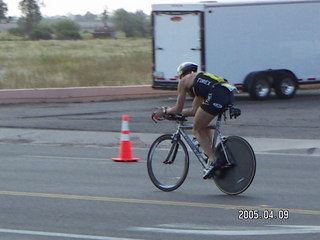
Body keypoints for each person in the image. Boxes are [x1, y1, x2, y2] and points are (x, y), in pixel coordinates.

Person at [153, 62, 236, 179]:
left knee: (196, 129)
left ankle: (213, 160)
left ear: (181, 74)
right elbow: (194, 111)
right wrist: (175, 113)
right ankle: (213, 155)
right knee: (202, 124)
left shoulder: (184, 81)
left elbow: (178, 108)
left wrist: (165, 111)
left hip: (217, 94)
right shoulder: (199, 82)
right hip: (226, 92)